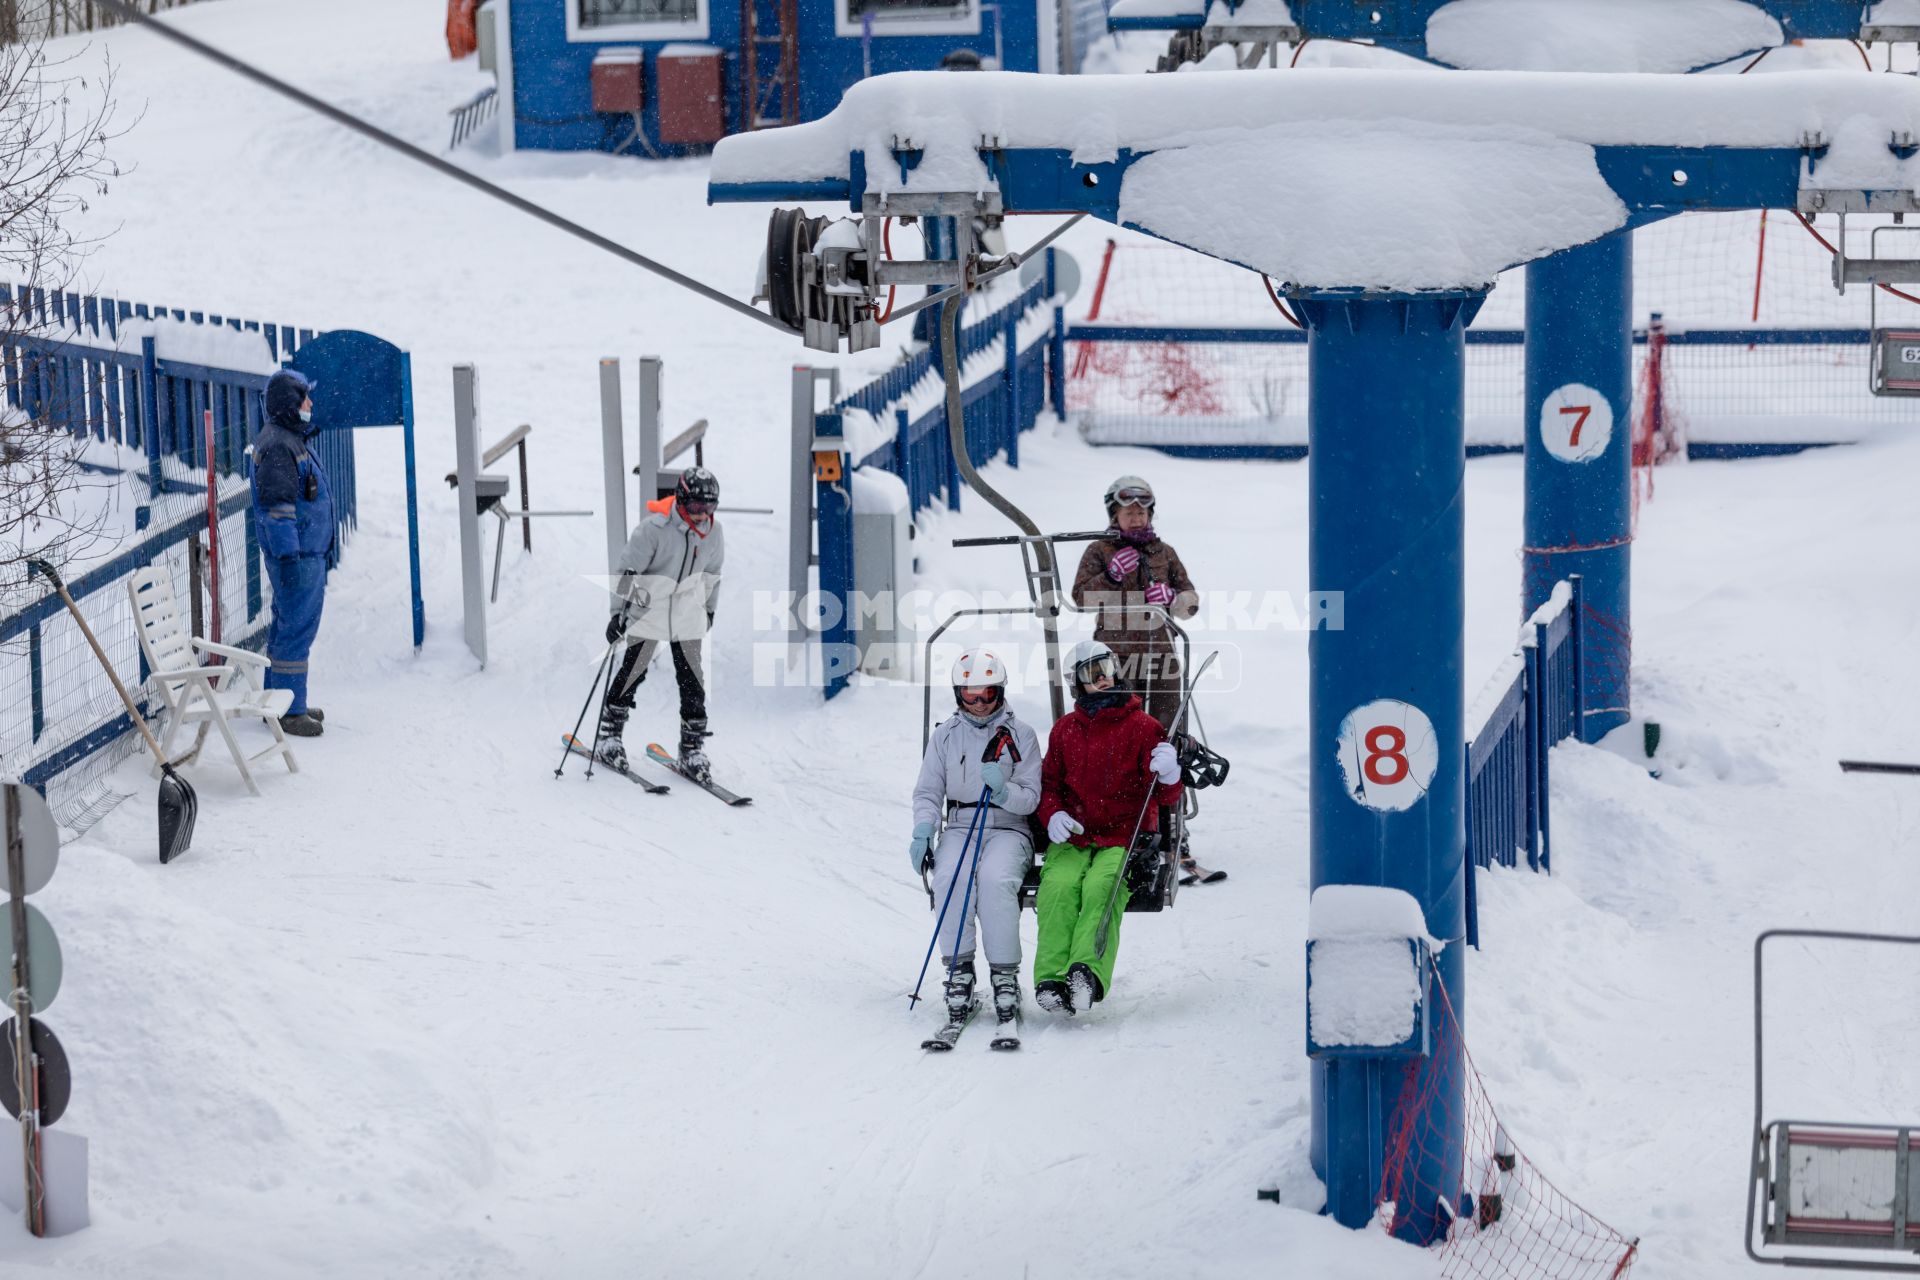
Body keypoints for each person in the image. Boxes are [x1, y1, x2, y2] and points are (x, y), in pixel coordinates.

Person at [1033, 639, 1183, 1015]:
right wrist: (1052, 814)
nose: (1102, 679)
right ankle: (1051, 978)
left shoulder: (1144, 727)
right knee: (1058, 887)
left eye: (1106, 669)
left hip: (1125, 837)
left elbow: (1165, 797)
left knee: (1103, 887)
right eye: (1091, 674)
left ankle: (1086, 971)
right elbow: (1049, 783)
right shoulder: (1065, 730)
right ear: (1077, 683)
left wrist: (1170, 774)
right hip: (1076, 836)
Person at [910, 649, 1042, 1034]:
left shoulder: (1022, 734)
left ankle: (1004, 978)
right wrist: (924, 827)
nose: (980, 703)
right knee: (950, 879)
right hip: (962, 825)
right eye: (970, 694)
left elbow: (1031, 796)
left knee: (995, 881)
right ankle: (959, 975)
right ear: (958, 694)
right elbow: (928, 791)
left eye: (987, 693)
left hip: (1008, 826)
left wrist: (1004, 793)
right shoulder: (946, 735)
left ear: (1000, 691)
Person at [599, 466, 724, 781]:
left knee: (692, 684)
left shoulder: (714, 532)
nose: (701, 515)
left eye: (709, 508)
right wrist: (618, 613)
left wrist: (708, 610)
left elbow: (712, 576)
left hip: (687, 617)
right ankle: (608, 736)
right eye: (696, 507)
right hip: (650, 614)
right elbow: (628, 572)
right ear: (682, 499)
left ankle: (692, 747)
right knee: (632, 674)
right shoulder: (653, 530)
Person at [1070, 475, 1198, 732]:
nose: (1136, 519)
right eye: (1129, 513)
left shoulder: (1165, 552)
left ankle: (1170, 769)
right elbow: (1080, 598)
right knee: (1118, 722)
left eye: (1142, 513)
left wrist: (1173, 598)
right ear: (1114, 515)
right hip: (1115, 655)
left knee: (1168, 724)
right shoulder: (1099, 550)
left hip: (1161, 652)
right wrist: (1110, 576)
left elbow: (1191, 602)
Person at [250, 368, 334, 738]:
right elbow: (277, 508)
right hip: (296, 558)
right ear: (289, 405)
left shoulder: (288, 439)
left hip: (303, 554)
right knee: (296, 630)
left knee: (288, 626)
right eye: (304, 398)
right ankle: (289, 710)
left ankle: (279, 700)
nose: (310, 404)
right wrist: (288, 556)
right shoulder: (280, 446)